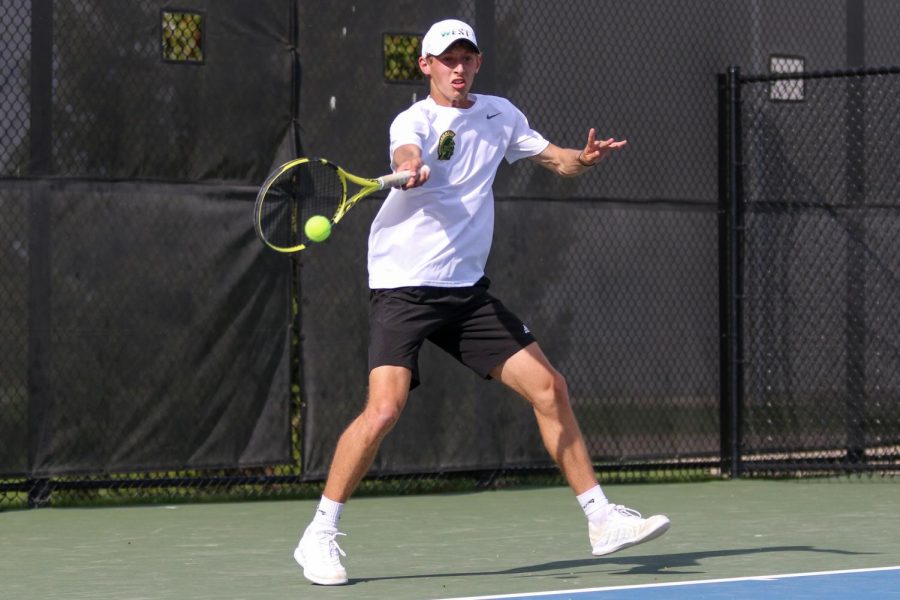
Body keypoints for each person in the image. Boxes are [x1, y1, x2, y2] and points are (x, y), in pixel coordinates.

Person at [293, 18, 670, 586]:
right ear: (426, 66)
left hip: (464, 291)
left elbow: (555, 160)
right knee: (385, 409)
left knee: (550, 387)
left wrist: (582, 158)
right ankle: (319, 534)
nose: (459, 68)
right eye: (447, 59)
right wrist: (408, 166)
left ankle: (600, 520)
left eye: (467, 57)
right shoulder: (413, 118)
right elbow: (406, 148)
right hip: (404, 286)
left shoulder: (500, 115)